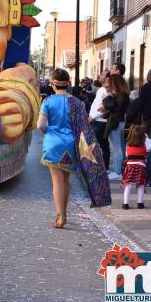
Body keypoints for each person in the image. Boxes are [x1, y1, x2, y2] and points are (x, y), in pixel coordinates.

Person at [37, 69, 111, 229]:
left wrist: (48, 131)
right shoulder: (77, 102)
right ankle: (64, 212)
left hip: (53, 144)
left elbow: (40, 125)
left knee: (57, 181)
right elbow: (84, 127)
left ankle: (60, 215)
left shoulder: (48, 101)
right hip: (71, 145)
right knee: (65, 181)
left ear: (52, 84)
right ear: (68, 83)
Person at [102, 74, 129, 179]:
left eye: (110, 84)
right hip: (119, 122)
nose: (109, 86)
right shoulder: (122, 95)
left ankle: (118, 172)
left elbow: (113, 107)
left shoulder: (121, 95)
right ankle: (119, 170)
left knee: (116, 148)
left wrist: (108, 96)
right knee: (119, 148)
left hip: (116, 123)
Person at [121, 125, 151, 209]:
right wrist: (147, 138)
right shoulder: (145, 144)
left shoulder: (128, 145)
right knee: (141, 185)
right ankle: (140, 203)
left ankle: (126, 203)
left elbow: (127, 155)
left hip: (130, 167)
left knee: (128, 185)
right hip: (141, 166)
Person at [89, 69, 111, 169]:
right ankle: (102, 166)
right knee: (101, 144)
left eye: (102, 74)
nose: (99, 75)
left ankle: (103, 167)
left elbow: (104, 108)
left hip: (101, 121)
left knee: (99, 145)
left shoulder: (107, 90)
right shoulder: (101, 89)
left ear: (107, 77)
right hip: (95, 120)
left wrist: (92, 117)